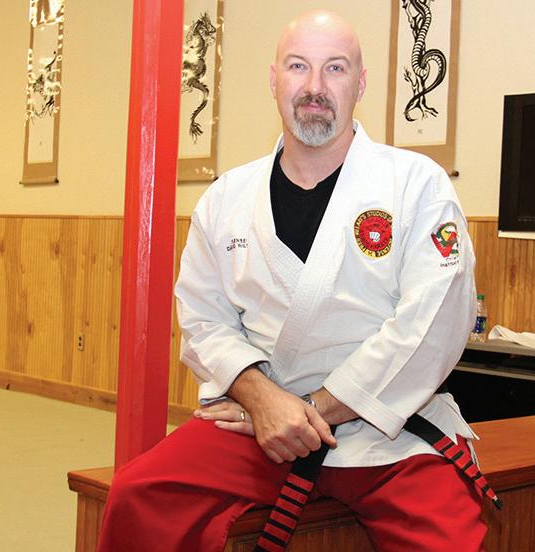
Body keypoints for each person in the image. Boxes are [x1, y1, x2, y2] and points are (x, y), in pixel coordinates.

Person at [98, 10, 486, 551]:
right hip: (260, 427)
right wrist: (261, 399)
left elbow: (435, 320)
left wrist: (311, 410)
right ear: (274, 79)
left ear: (361, 84)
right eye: (298, 66)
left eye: (335, 68)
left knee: (449, 540)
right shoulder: (227, 198)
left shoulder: (416, 184)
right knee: (138, 495)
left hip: (386, 427)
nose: (314, 87)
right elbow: (204, 319)